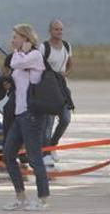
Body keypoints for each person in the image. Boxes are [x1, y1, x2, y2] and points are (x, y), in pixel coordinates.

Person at [2, 24, 50, 211]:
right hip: (19, 114)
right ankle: (20, 196)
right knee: (8, 154)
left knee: (34, 157)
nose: (12, 40)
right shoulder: (22, 56)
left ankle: (43, 199)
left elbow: (15, 63)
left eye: (16, 37)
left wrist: (18, 51)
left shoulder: (34, 55)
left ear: (25, 38)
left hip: (31, 115)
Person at [42, 19, 73, 166]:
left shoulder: (67, 46)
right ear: (50, 31)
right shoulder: (44, 47)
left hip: (61, 87)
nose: (59, 32)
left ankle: (53, 144)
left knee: (66, 118)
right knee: (48, 122)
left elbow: (70, 63)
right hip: (48, 89)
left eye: (61, 29)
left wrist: (65, 73)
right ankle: (46, 153)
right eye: (56, 29)